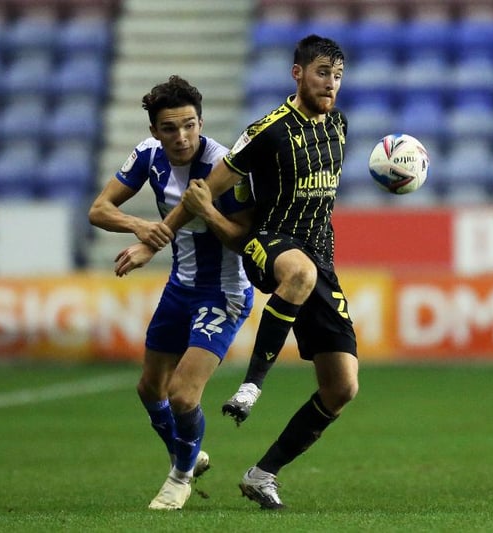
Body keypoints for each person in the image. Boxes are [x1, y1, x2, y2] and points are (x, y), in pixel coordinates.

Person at [114, 35, 359, 510]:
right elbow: (203, 191)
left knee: (343, 387)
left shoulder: (340, 125)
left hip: (319, 258)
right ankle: (251, 387)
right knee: (299, 274)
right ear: (298, 73)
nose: (330, 84)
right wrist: (151, 241)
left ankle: (262, 474)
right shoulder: (266, 131)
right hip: (270, 243)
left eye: (337, 76)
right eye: (322, 73)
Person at [89, 75, 255, 510]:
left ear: (201, 122)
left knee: (183, 394)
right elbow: (99, 210)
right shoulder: (148, 157)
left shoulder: (226, 166)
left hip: (224, 290)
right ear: (153, 132)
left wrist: (206, 213)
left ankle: (179, 477)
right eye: (169, 128)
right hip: (180, 286)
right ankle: (190, 453)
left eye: (189, 126)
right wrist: (141, 228)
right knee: (150, 389)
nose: (181, 137)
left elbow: (243, 240)